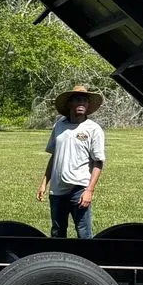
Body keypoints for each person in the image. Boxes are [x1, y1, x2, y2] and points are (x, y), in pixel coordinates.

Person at [40, 85, 106, 239]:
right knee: (57, 233)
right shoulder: (59, 126)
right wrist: (44, 183)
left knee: (84, 233)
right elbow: (54, 156)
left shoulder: (93, 129)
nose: (82, 103)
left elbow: (98, 162)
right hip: (56, 190)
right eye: (78, 100)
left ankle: (87, 262)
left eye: (84, 100)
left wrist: (89, 191)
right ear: (70, 104)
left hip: (79, 189)